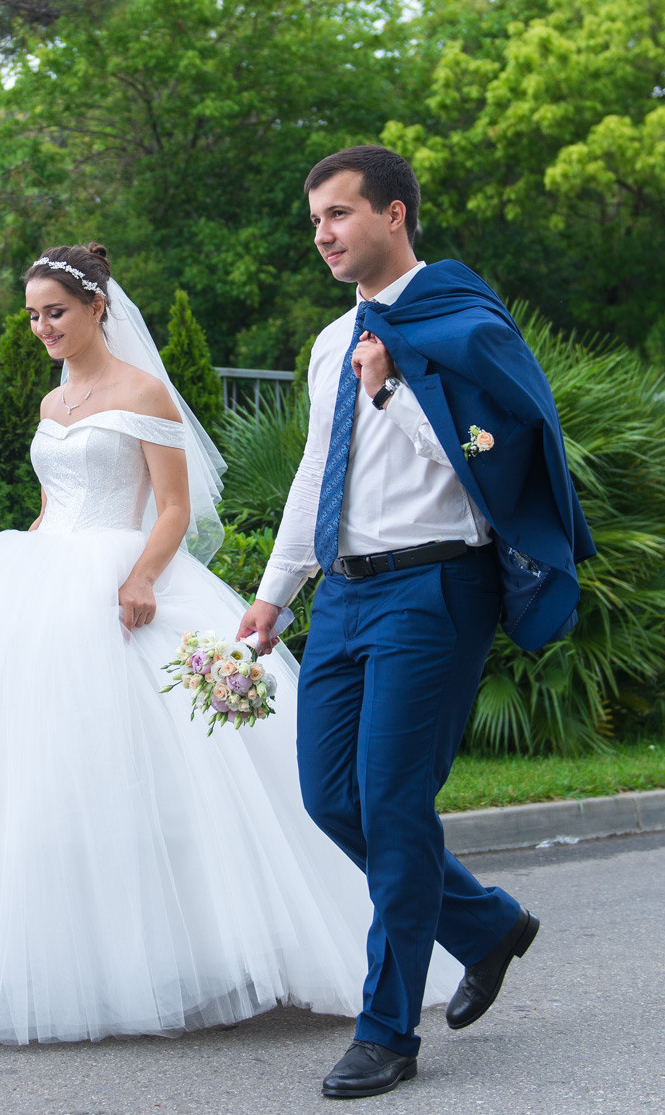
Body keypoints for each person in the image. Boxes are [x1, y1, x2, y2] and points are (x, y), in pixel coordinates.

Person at [0, 243, 459, 1044]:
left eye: (55, 312)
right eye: (32, 316)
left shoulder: (144, 392)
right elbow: (48, 504)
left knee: (157, 773)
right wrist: (19, 571)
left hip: (123, 576)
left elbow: (172, 507)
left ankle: (196, 953)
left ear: (98, 306)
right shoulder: (51, 400)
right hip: (40, 572)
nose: (42, 328)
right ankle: (38, 952)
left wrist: (141, 578)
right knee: (23, 775)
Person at [238, 146, 596, 1098]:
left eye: (341, 214)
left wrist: (393, 385)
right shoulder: (329, 343)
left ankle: (388, 1028)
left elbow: (489, 462)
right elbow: (317, 474)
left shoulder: (463, 323)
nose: (323, 232)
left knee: (393, 804)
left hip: (438, 587)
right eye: (314, 217)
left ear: (394, 215)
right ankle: (484, 925)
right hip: (347, 591)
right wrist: (276, 594)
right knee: (330, 798)